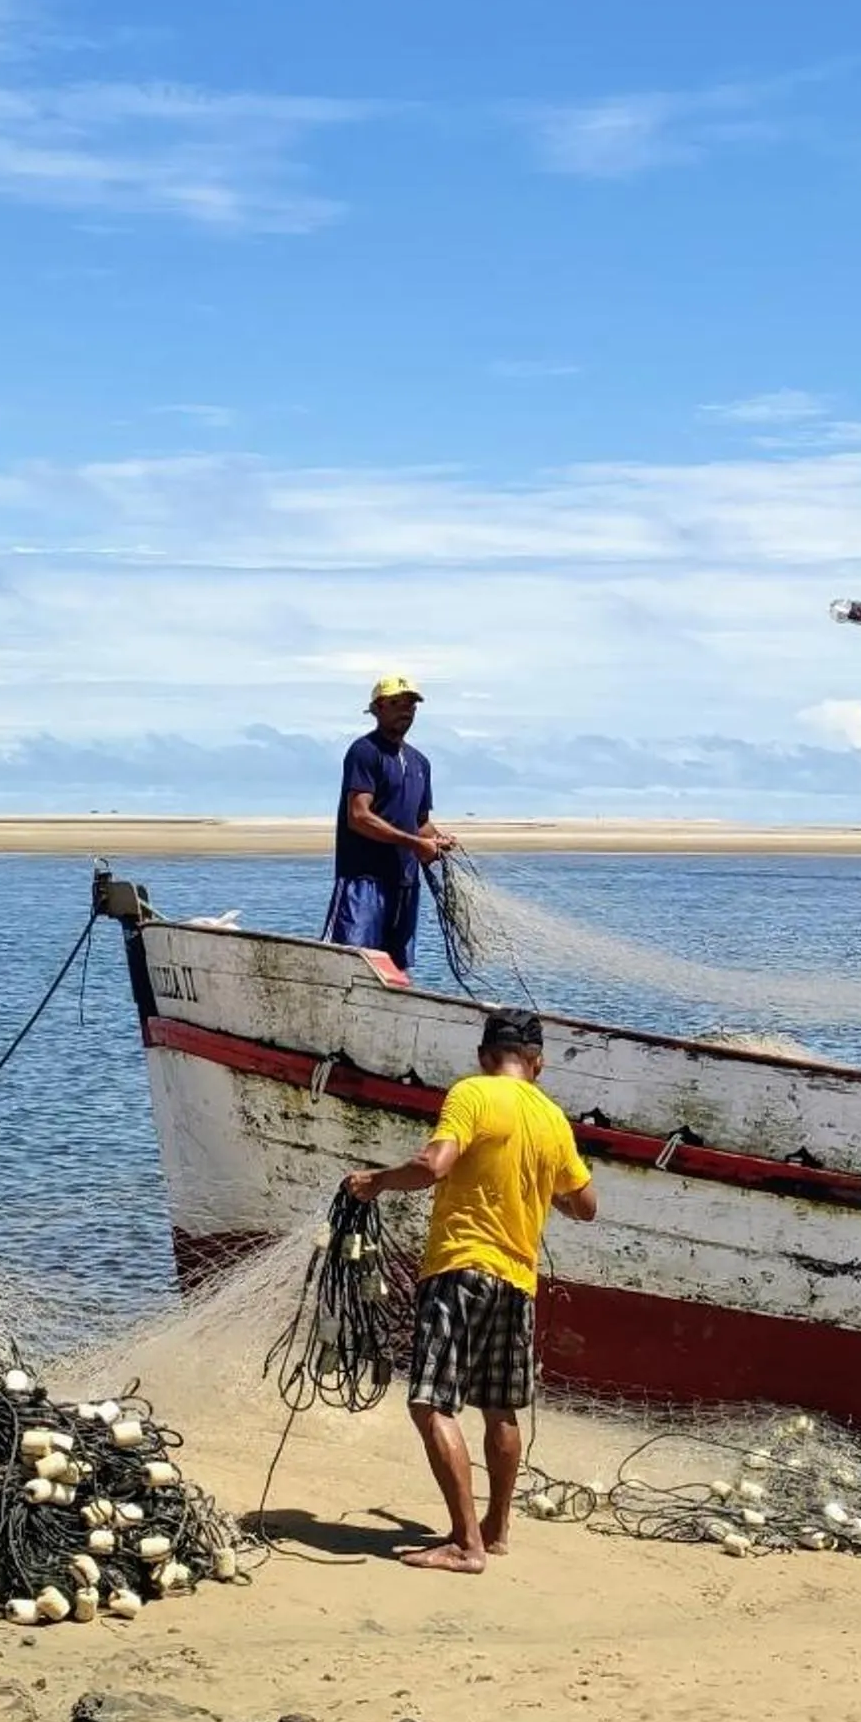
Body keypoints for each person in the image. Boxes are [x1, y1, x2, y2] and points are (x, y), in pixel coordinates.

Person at [343, 1006, 598, 1573]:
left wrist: (376, 1182)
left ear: (485, 1057)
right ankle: (497, 1528)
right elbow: (585, 1205)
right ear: (538, 1063)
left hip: (461, 1268)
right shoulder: (553, 1119)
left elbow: (433, 1165)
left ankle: (465, 1543)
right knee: (500, 1408)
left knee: (430, 1402)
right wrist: (537, 1187)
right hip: (517, 1283)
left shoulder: (473, 1094)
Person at [323, 673, 456, 974]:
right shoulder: (365, 752)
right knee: (351, 965)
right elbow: (359, 817)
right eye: (396, 703)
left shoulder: (420, 762)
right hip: (364, 881)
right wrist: (415, 843)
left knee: (395, 971)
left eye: (411, 704)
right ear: (377, 708)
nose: (405, 710)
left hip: (405, 884)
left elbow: (420, 823)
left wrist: (437, 840)